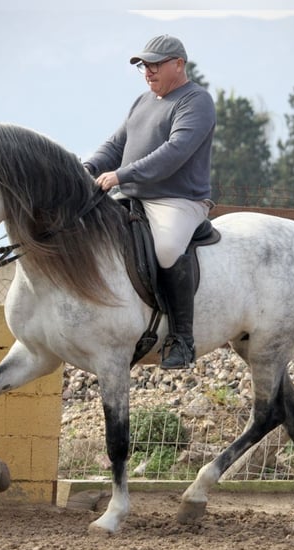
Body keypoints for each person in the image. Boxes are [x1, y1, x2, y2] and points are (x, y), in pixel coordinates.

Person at [83, 34, 216, 370]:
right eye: (144, 65)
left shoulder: (196, 101)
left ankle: (182, 339)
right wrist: (87, 167)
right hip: (133, 195)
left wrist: (121, 175)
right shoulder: (143, 101)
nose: (148, 71)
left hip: (178, 200)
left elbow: (174, 153)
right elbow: (115, 145)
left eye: (155, 64)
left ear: (179, 64)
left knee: (169, 248)